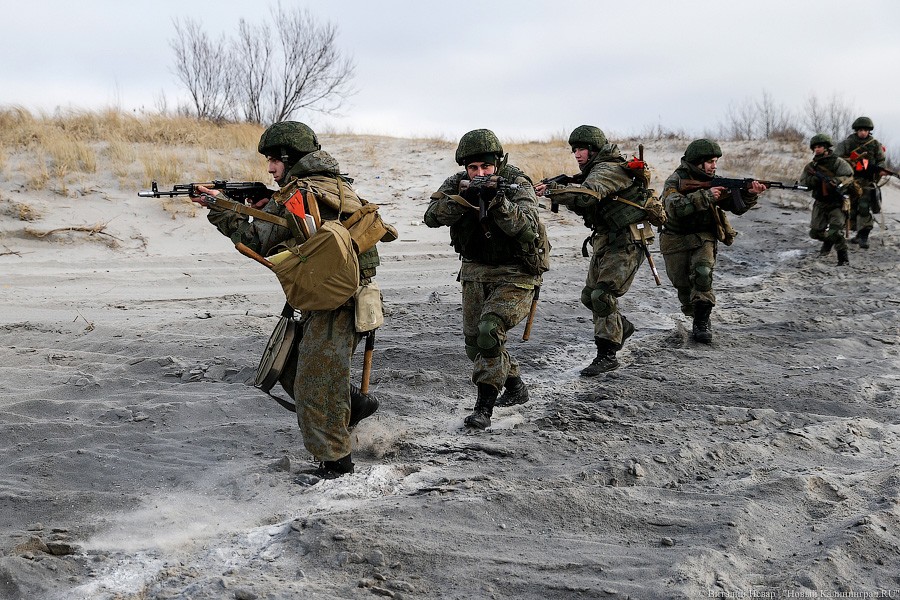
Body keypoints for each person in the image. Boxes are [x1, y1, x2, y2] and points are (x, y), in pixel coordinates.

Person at [194, 121, 383, 481]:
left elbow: (257, 241)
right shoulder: (333, 185)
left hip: (336, 302)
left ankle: (336, 464)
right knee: (291, 370)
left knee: (315, 386)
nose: (270, 168)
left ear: (291, 158)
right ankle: (353, 403)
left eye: (274, 160)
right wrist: (263, 206)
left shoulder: (301, 192)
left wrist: (218, 208)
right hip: (331, 296)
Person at [424, 129, 545, 430]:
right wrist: (462, 199)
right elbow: (431, 217)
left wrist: (499, 203)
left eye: (486, 167)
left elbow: (528, 229)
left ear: (498, 164)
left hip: (516, 271)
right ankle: (515, 386)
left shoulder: (516, 183)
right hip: (475, 271)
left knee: (489, 330)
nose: (480, 174)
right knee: (475, 345)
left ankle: (483, 409)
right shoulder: (456, 183)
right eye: (474, 168)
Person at [534, 125, 656, 375]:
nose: (577, 155)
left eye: (581, 149)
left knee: (602, 296)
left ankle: (607, 354)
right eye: (574, 150)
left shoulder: (608, 169)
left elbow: (588, 196)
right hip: (606, 239)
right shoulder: (593, 171)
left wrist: (554, 191)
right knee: (589, 296)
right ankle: (621, 327)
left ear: (594, 149)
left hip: (627, 240)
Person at [658, 139, 766, 343]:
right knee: (682, 285)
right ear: (697, 162)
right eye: (710, 162)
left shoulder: (715, 181)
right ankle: (695, 312)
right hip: (675, 239)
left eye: (716, 161)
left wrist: (750, 194)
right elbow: (673, 208)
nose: (714, 166)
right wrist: (705, 196)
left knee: (703, 273)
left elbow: (736, 207)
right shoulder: (676, 180)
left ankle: (701, 322)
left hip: (704, 236)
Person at [800, 133, 854, 266]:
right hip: (820, 203)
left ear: (826, 148)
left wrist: (836, 181)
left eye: (820, 147)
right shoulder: (811, 166)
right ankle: (829, 240)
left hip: (837, 203)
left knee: (835, 232)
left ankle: (843, 259)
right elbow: (804, 183)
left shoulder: (838, 162)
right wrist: (814, 180)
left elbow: (849, 177)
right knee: (815, 233)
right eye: (815, 147)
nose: (817, 149)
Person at [834, 116, 888, 249]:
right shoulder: (848, 143)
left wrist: (880, 170)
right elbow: (836, 158)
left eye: (865, 130)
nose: (863, 132)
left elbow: (881, 160)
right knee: (850, 208)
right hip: (850, 181)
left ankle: (863, 236)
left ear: (869, 131)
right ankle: (855, 233)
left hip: (867, 182)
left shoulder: (875, 144)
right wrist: (851, 162)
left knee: (864, 207)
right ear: (856, 130)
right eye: (860, 130)